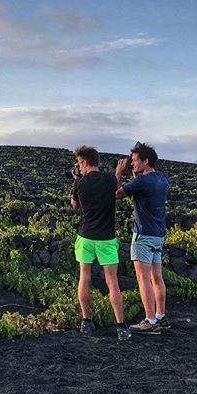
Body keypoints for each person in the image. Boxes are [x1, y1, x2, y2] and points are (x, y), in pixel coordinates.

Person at [71, 145, 132, 341]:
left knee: (85, 277)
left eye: (80, 164)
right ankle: (121, 326)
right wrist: (119, 173)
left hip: (86, 236)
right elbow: (116, 192)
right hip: (106, 237)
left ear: (85, 162)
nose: (79, 167)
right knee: (112, 282)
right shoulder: (109, 179)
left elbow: (74, 205)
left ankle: (86, 320)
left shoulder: (79, 183)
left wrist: (76, 182)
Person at [115, 142, 170, 333]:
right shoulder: (162, 179)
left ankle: (150, 320)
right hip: (158, 234)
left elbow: (118, 194)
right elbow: (140, 189)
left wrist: (118, 174)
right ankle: (161, 316)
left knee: (143, 278)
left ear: (145, 161)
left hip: (143, 236)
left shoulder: (141, 181)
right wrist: (134, 177)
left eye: (135, 161)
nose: (132, 164)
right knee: (157, 277)